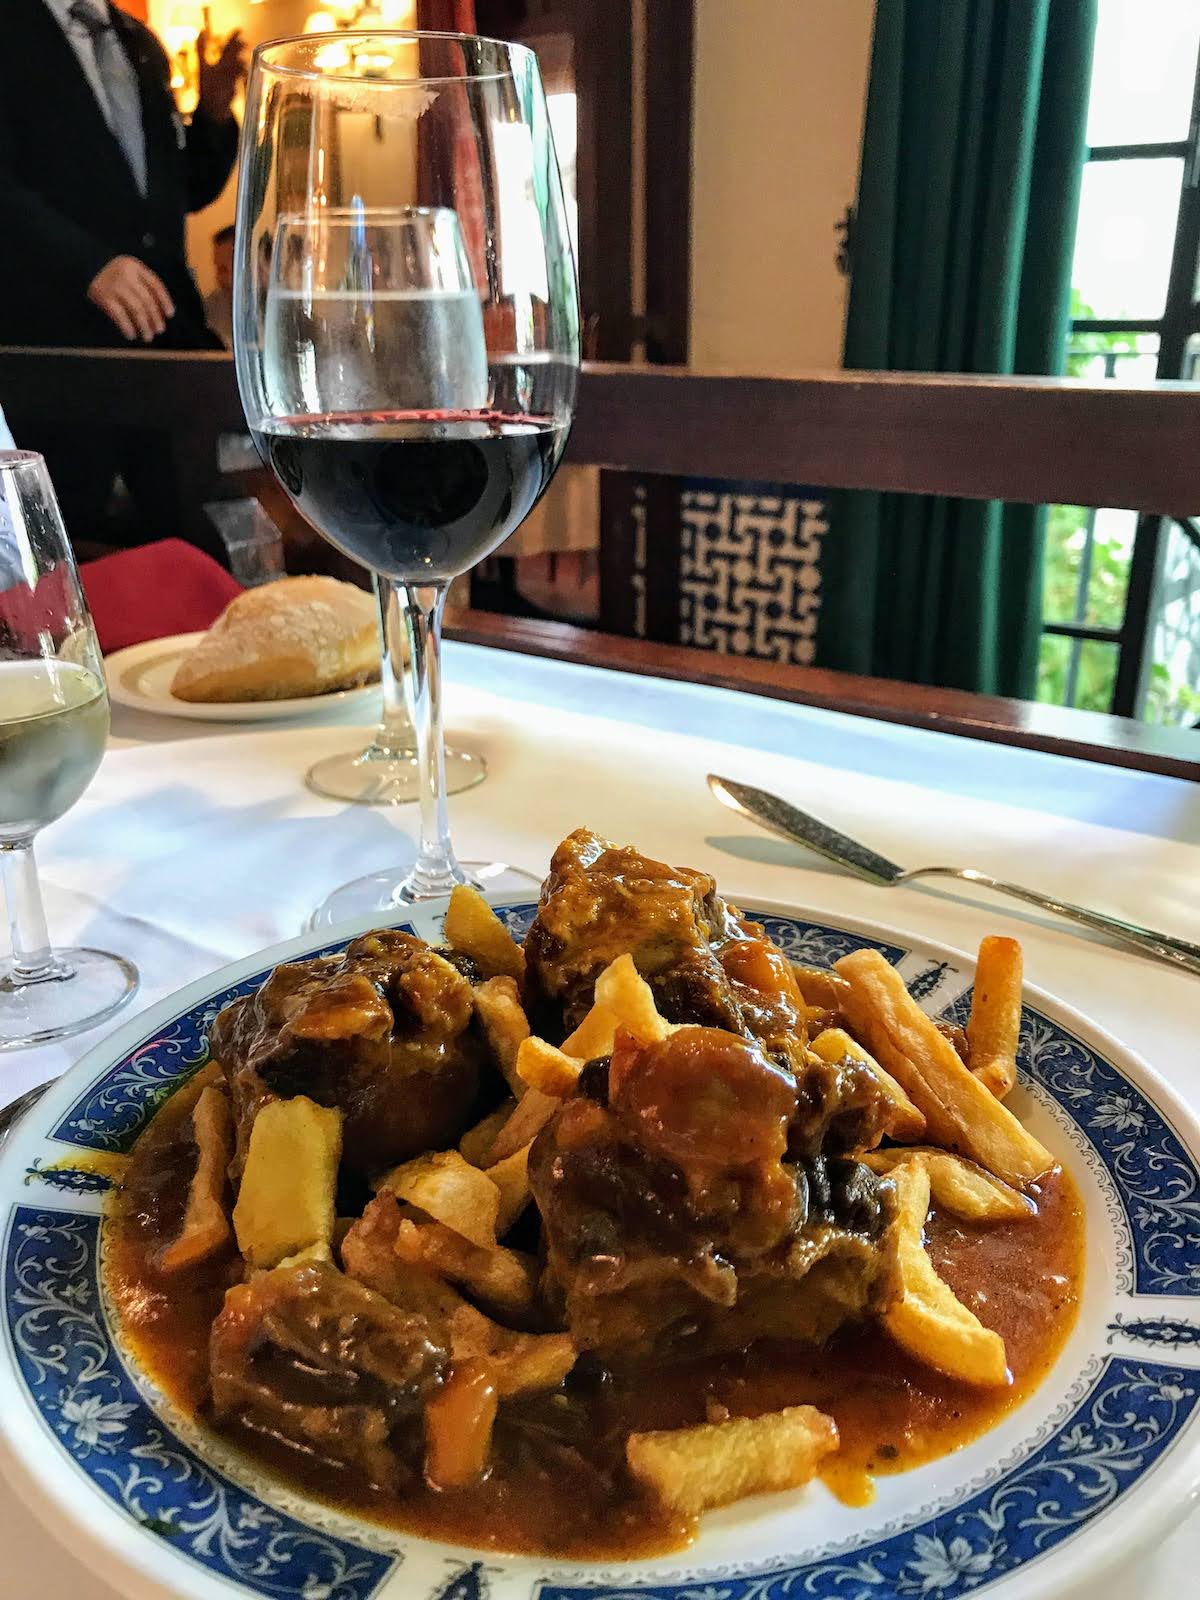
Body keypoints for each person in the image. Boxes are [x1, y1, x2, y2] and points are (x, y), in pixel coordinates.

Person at [0, 1, 248, 549]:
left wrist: (210, 112)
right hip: (58, 349)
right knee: (66, 551)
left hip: (165, 344)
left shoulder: (138, 39)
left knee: (192, 546)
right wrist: (88, 265)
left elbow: (177, 192)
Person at [204, 223, 236, 349]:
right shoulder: (210, 308)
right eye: (217, 269)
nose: (218, 279)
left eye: (223, 270)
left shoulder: (279, 312)